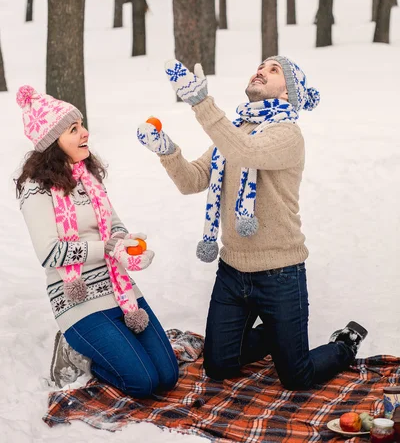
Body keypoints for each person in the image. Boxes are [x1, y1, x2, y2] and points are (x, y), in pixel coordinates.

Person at [137, 56, 368, 390]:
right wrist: (167, 150)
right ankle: (278, 336)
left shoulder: (288, 135)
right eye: (261, 65)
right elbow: (193, 180)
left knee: (296, 376)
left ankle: (343, 344)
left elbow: (245, 152)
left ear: (288, 93)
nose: (261, 70)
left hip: (281, 273)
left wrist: (201, 102)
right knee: (218, 366)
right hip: (233, 272)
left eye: (274, 70)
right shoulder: (236, 130)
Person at [16, 85, 178, 397]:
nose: (85, 133)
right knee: (142, 382)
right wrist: (105, 248)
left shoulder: (86, 175)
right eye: (73, 129)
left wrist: (125, 247)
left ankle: (116, 344)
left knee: (168, 376)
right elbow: (50, 253)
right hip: (75, 298)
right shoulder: (35, 188)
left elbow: (114, 225)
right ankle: (76, 354)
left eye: (82, 125)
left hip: (118, 287)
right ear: (52, 142)